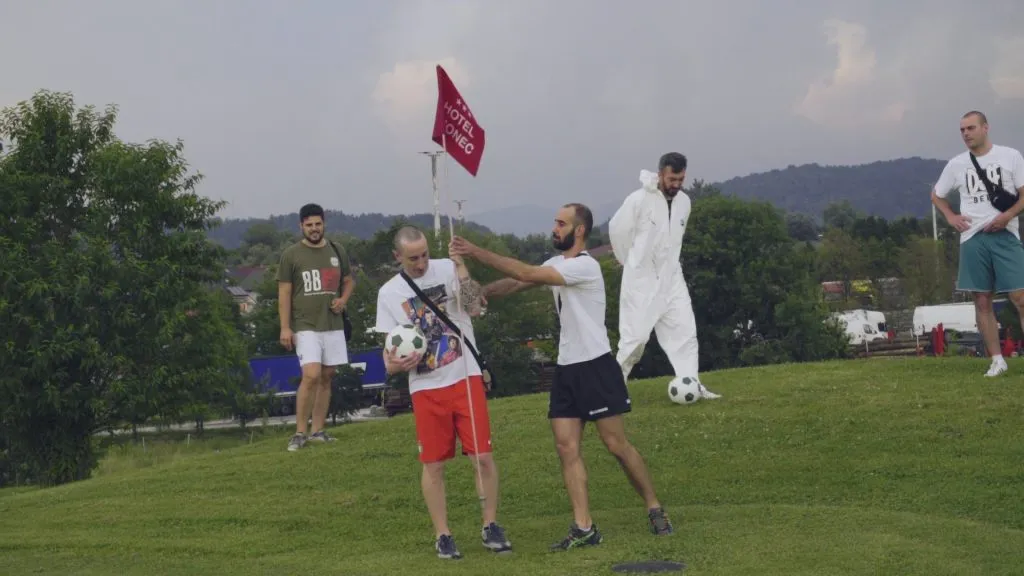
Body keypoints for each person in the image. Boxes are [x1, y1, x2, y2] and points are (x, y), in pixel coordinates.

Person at [450, 203, 674, 552]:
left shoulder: (585, 267)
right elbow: (514, 283)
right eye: (554, 222)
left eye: (560, 224)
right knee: (566, 447)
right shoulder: (558, 264)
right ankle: (584, 527)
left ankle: (654, 506)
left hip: (596, 366)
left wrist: (474, 251)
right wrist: (481, 293)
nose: (554, 229)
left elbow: (525, 273)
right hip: (567, 369)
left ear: (579, 231)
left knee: (616, 445)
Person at [374, 225, 512, 560]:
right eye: (412, 259)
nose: (420, 263)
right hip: (425, 385)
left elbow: (474, 307)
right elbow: (389, 348)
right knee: (433, 463)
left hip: (464, 375)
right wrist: (393, 366)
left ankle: (490, 524)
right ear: (398, 257)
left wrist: (461, 266)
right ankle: (443, 534)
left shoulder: (448, 267)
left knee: (481, 456)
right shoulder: (389, 293)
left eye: (423, 255)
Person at [607, 152, 721, 399]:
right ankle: (614, 389)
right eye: (672, 179)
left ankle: (692, 384)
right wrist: (632, 263)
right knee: (634, 338)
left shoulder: (684, 203)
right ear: (660, 174)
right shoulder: (637, 200)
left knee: (684, 332)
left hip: (672, 278)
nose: (676, 184)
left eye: (681, 179)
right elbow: (618, 232)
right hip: (640, 279)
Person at [932, 110, 1024, 377]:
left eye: (971, 128)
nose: (966, 134)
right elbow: (937, 195)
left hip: (1005, 234)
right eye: (962, 130)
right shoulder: (957, 164)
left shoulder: (1010, 156)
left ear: (986, 128)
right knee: (981, 300)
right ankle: (997, 359)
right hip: (972, 237)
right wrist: (951, 216)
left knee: (1020, 296)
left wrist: (1006, 216)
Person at [277, 203, 356, 451]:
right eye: (309, 225)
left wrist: (343, 300)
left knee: (327, 376)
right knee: (310, 375)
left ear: (324, 223)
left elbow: (348, 281)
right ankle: (299, 432)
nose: (314, 229)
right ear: (301, 226)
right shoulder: (291, 254)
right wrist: (285, 327)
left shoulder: (337, 250)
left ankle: (318, 431)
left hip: (332, 324)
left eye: (318, 224)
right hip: (305, 324)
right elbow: (284, 292)